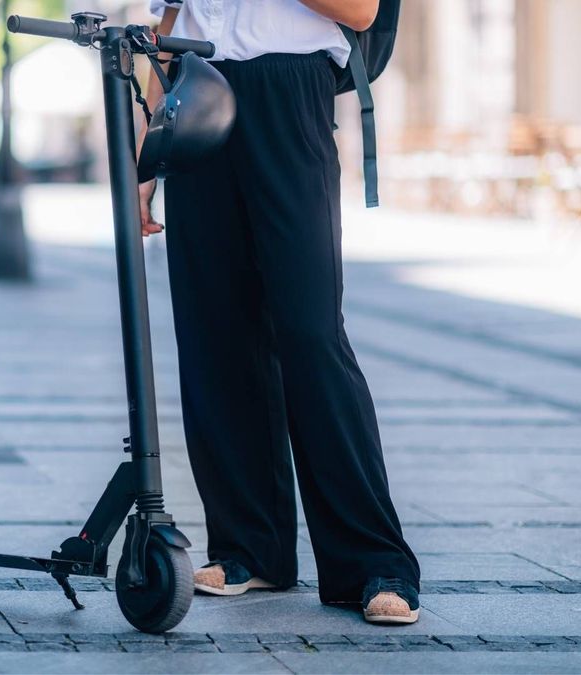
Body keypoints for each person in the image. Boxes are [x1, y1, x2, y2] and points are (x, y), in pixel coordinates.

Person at [140, 0, 422, 624]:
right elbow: (167, 26)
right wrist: (145, 159)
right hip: (196, 92)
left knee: (311, 334)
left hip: (290, 87)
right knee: (215, 336)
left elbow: (360, 11)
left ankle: (373, 562)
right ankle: (250, 549)